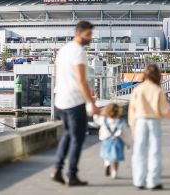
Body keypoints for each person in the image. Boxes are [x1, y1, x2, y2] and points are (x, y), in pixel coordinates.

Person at [52, 21, 100, 187]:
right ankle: (71, 175)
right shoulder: (78, 52)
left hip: (60, 100)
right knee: (77, 139)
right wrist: (91, 103)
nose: (90, 38)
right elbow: (81, 81)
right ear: (79, 33)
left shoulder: (63, 50)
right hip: (74, 102)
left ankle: (57, 169)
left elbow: (57, 75)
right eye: (88, 35)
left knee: (67, 134)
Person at [128, 64, 170, 190]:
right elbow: (164, 110)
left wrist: (132, 126)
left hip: (140, 120)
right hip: (153, 121)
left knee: (139, 152)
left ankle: (139, 180)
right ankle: (153, 181)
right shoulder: (157, 90)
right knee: (154, 151)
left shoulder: (138, 89)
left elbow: (132, 109)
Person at [94, 103, 131, 179]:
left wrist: (95, 113)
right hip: (117, 140)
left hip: (106, 140)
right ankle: (114, 173)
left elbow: (96, 120)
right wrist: (128, 143)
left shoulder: (103, 120)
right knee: (116, 158)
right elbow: (126, 134)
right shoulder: (121, 122)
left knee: (106, 154)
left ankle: (107, 164)